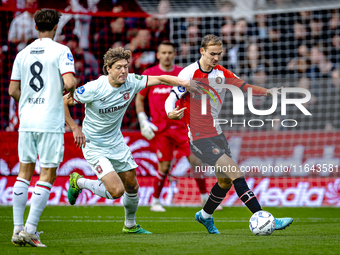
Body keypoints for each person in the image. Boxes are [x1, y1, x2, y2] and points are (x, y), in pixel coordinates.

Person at [165, 34, 293, 234]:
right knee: (236, 173)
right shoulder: (189, 73)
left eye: (219, 54)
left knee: (224, 181)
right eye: (212, 54)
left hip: (217, 134)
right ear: (202, 51)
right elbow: (171, 96)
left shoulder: (222, 73)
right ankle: (263, 217)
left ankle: (205, 215)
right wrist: (169, 112)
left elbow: (245, 87)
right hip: (199, 138)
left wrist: (268, 92)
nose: (216, 58)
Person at [64, 47, 197, 234]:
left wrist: (184, 82)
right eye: (118, 67)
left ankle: (130, 225)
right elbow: (64, 101)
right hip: (94, 144)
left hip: (116, 142)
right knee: (116, 191)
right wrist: (75, 127)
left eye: (126, 67)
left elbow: (160, 78)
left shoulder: (132, 81)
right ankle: (79, 182)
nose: (124, 71)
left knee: (132, 185)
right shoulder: (94, 88)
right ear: (108, 69)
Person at [9, 9, 77, 246]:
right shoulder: (61, 51)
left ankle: (17, 229)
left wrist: (29, 103)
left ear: (35, 27)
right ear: (56, 27)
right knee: (47, 173)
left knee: (24, 172)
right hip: (49, 120)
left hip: (26, 120)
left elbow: (12, 91)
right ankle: (31, 230)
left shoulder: (22, 53)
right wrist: (72, 85)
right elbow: (69, 82)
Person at [136, 41, 215, 212]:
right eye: (163, 52)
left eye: (170, 52)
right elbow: (139, 99)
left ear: (174, 54)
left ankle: (204, 199)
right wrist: (143, 120)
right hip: (161, 130)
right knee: (164, 166)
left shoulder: (183, 73)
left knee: (195, 161)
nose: (166, 55)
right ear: (158, 55)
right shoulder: (150, 74)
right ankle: (155, 201)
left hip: (182, 128)